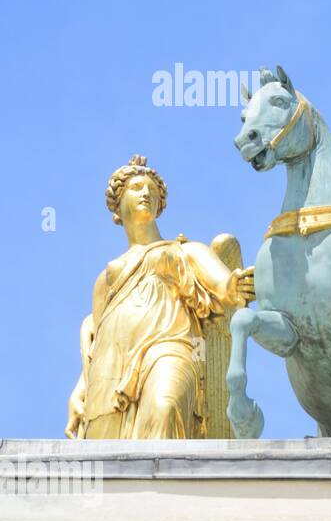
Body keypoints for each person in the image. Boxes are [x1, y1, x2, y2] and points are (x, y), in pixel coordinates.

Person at [66, 156, 255, 439]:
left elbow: (223, 285)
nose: (146, 193)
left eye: (152, 191)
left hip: (169, 348)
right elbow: (97, 341)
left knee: (164, 406)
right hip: (111, 368)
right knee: (103, 446)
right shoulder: (104, 280)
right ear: (117, 205)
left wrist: (235, 285)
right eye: (137, 187)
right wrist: (81, 387)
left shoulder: (186, 251)